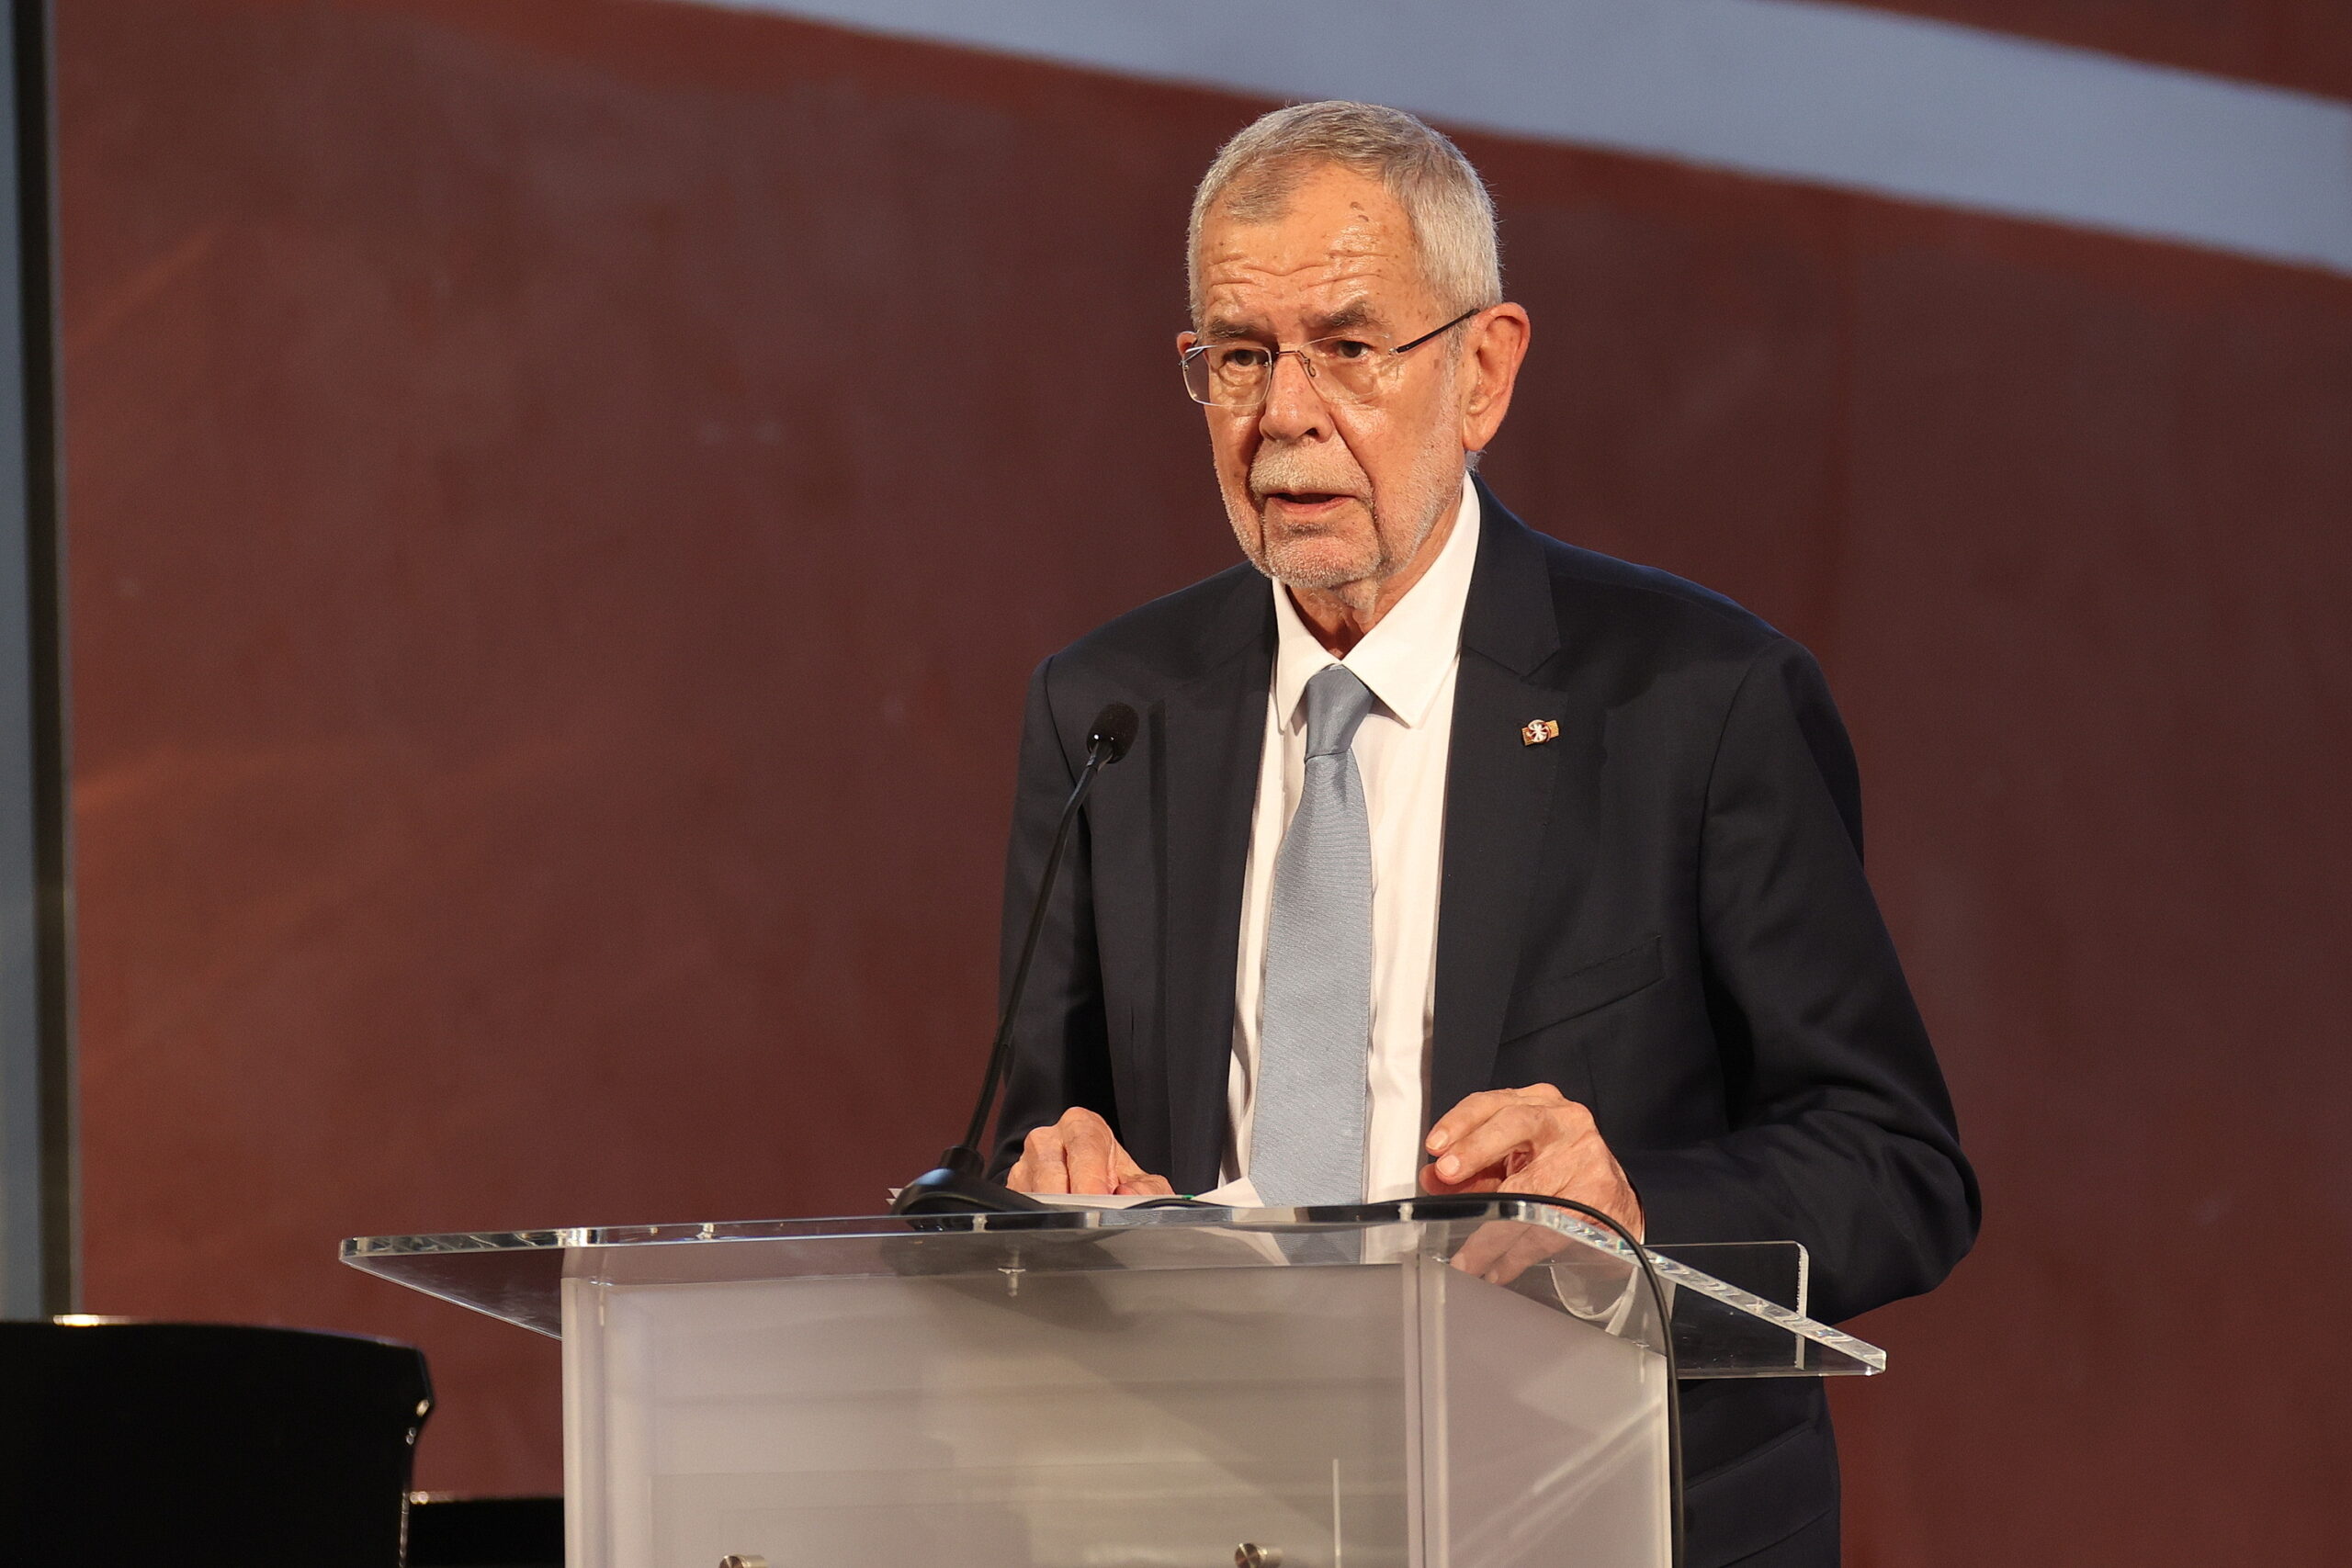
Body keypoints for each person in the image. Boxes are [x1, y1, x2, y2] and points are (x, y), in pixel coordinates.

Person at [989, 100, 1976, 1568]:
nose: (1283, 414)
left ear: (1484, 371)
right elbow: (1024, 1138)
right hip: (1224, 1509)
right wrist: (1047, 1187)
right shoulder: (1112, 711)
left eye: (1348, 347)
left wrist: (1634, 1210)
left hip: (1596, 1508)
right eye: (1239, 357)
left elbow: (1895, 1165)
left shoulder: (1697, 702)